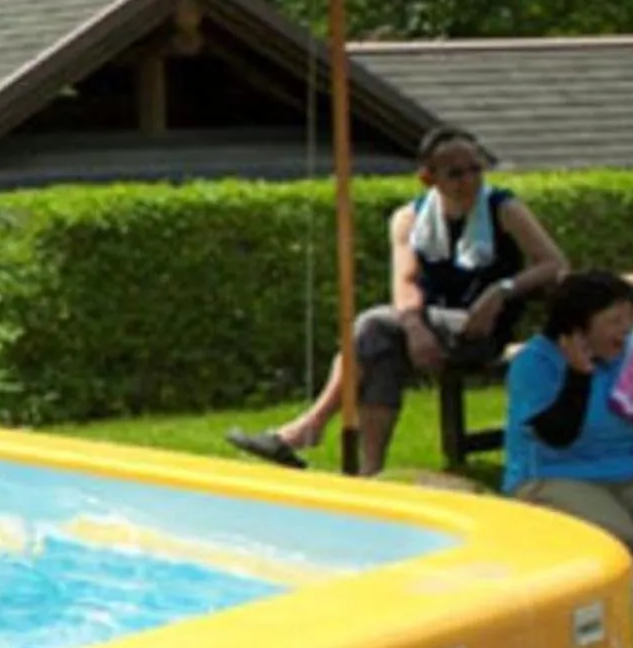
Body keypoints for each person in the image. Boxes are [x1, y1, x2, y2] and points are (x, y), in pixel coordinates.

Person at [230, 127, 566, 473]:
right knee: (377, 345)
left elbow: (554, 263)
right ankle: (369, 470)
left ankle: (308, 428)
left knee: (372, 327)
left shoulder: (504, 209)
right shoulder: (409, 219)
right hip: (426, 325)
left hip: (480, 331)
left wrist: (501, 290)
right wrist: (416, 329)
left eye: (474, 170)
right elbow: (405, 282)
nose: (468, 181)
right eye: (455, 173)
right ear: (428, 178)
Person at [504, 269, 633, 563]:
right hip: (554, 475)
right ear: (578, 328)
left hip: (630, 472)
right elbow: (558, 435)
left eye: (631, 317)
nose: (627, 328)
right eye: (615, 321)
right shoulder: (535, 362)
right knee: (615, 534)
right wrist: (579, 376)